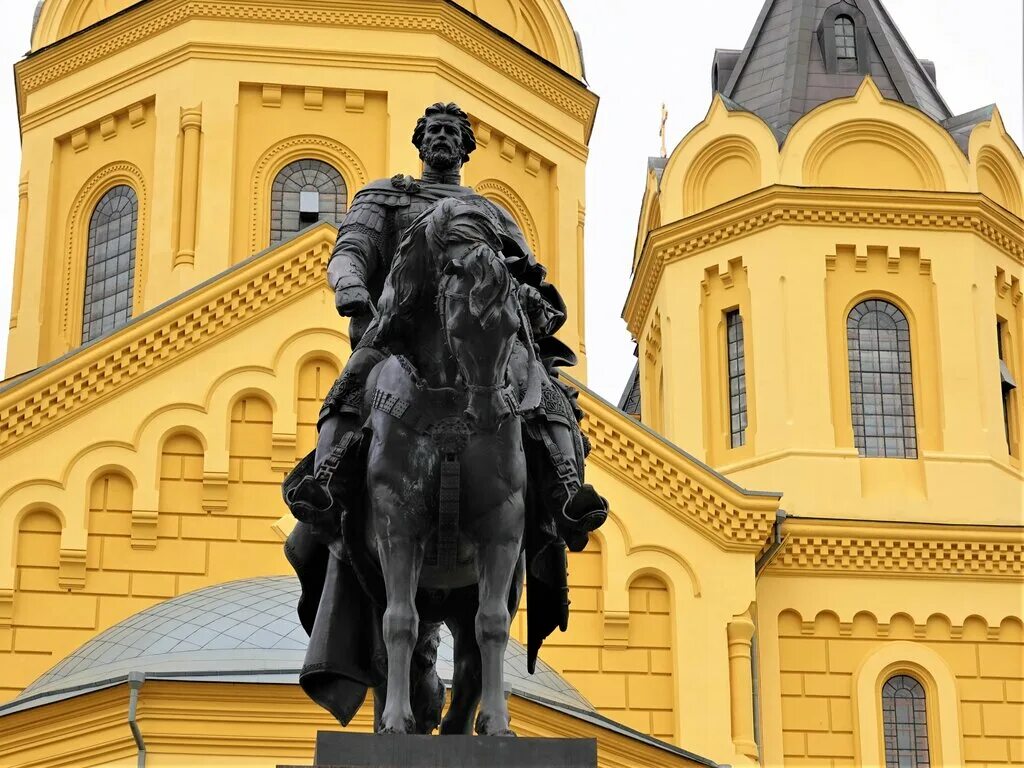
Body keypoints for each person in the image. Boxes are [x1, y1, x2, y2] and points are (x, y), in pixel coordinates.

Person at [281, 103, 607, 726]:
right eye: (433, 131)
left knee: (550, 395)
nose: (442, 140)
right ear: (419, 141)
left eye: (454, 134)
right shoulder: (388, 197)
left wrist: (531, 304)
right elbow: (351, 249)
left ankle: (568, 493)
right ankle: (325, 484)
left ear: (466, 150)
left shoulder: (491, 214)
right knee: (353, 391)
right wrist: (351, 286)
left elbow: (526, 275)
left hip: (483, 336)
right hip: (403, 330)